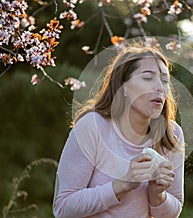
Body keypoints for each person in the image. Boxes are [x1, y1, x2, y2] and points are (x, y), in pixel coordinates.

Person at [52, 42, 185, 218]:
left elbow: (173, 211)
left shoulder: (171, 133)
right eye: (148, 77)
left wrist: (157, 194)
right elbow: (63, 208)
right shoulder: (92, 127)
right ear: (123, 87)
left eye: (165, 80)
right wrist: (122, 184)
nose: (160, 87)